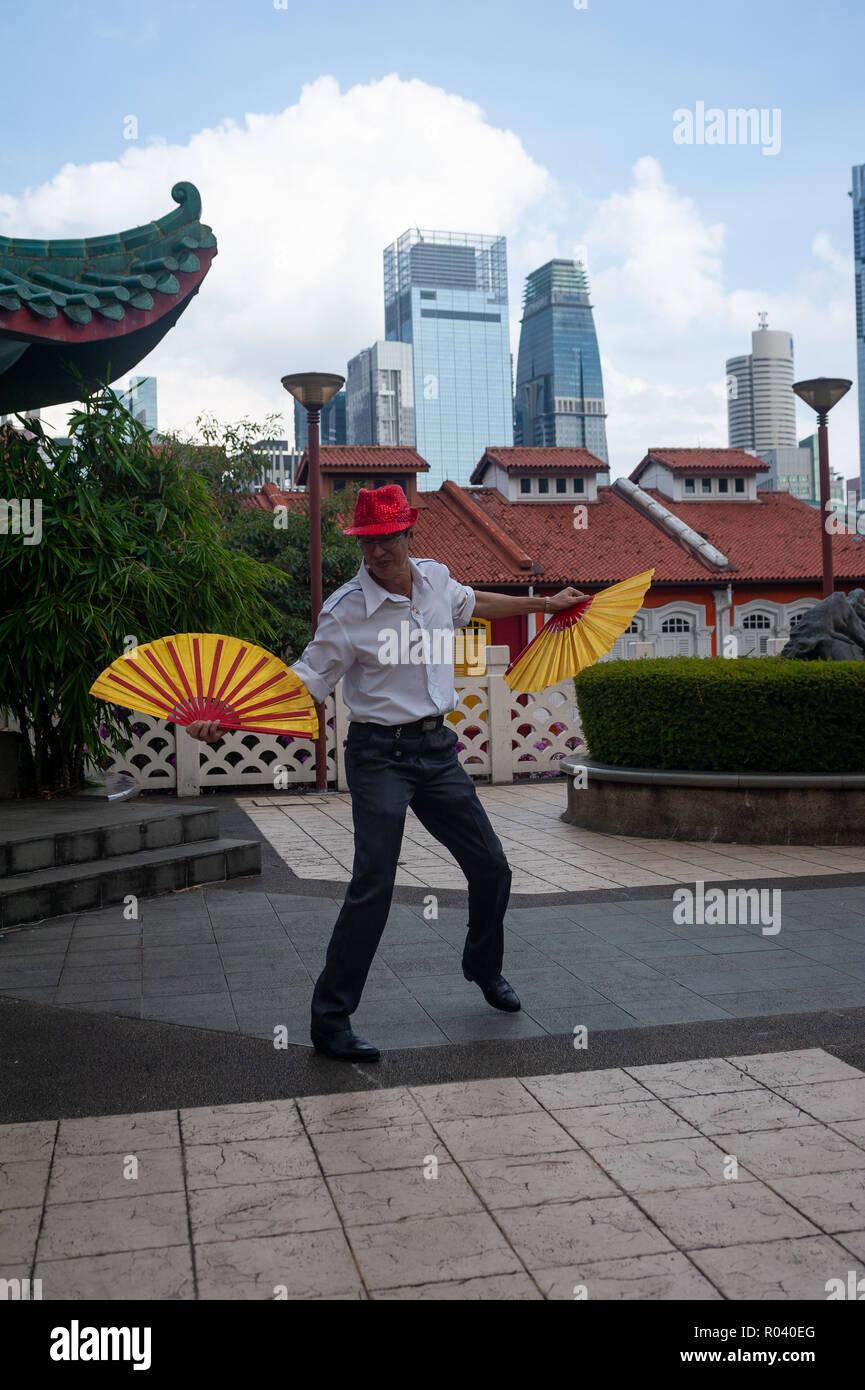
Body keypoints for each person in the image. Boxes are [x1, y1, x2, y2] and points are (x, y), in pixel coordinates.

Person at [187, 485, 587, 1062]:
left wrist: (545, 606)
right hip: (379, 755)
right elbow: (305, 681)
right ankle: (330, 1021)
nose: (377, 551)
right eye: (367, 541)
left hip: (437, 750)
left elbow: (472, 603)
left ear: (408, 534)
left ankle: (482, 965)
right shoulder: (346, 610)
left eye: (387, 539)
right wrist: (229, 717)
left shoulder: (435, 579)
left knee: (492, 867)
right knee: (373, 884)